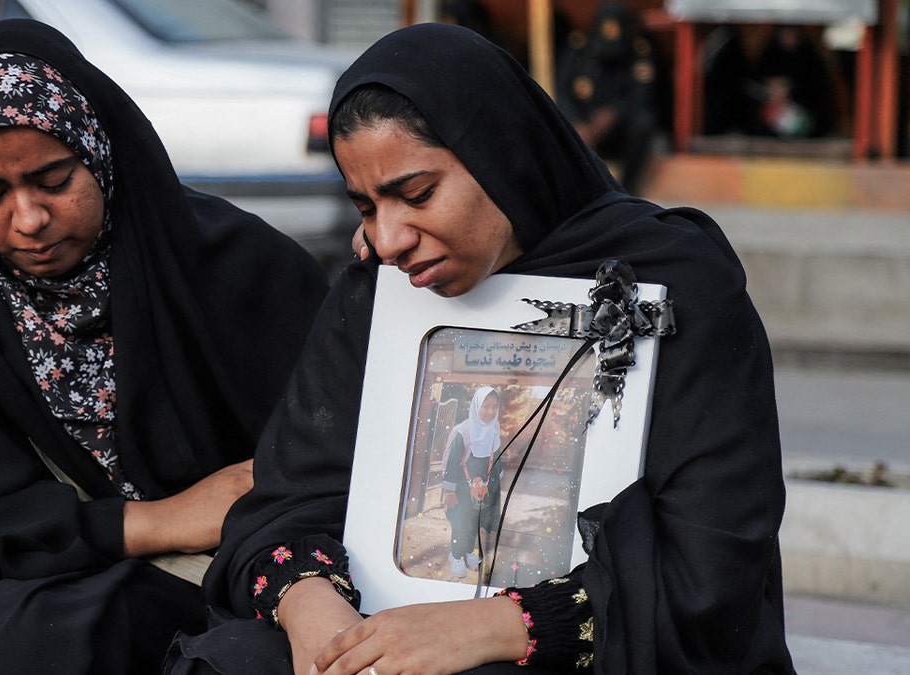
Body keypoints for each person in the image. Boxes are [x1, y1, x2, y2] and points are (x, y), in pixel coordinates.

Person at [169, 22, 793, 674]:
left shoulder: (672, 287)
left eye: (415, 195)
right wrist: (315, 613)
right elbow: (289, 499)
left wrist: (499, 626)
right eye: (364, 207)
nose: (388, 239)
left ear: (503, 155)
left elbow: (709, 569)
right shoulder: (378, 290)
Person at [0, 19, 330, 673]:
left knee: (62, 632)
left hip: (179, 578)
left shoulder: (238, 269)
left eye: (55, 180)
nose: (28, 220)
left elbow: (315, 479)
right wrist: (159, 519)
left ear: (101, 151)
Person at [554, 1, 657, 195]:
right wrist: (576, 122)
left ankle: (628, 191)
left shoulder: (637, 53)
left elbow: (641, 96)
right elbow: (562, 89)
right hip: (582, 126)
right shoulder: (580, 51)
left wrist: (614, 114)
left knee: (644, 122)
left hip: (617, 130)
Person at [442, 387, 502, 580]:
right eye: (485, 406)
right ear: (477, 406)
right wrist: (450, 491)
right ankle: (455, 555)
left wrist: (495, 483)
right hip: (462, 487)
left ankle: (468, 551)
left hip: (482, 488)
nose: (490, 411)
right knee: (461, 522)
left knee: (475, 522)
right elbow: (453, 461)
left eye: (494, 407)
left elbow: (496, 457)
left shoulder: (494, 428)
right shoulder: (465, 430)